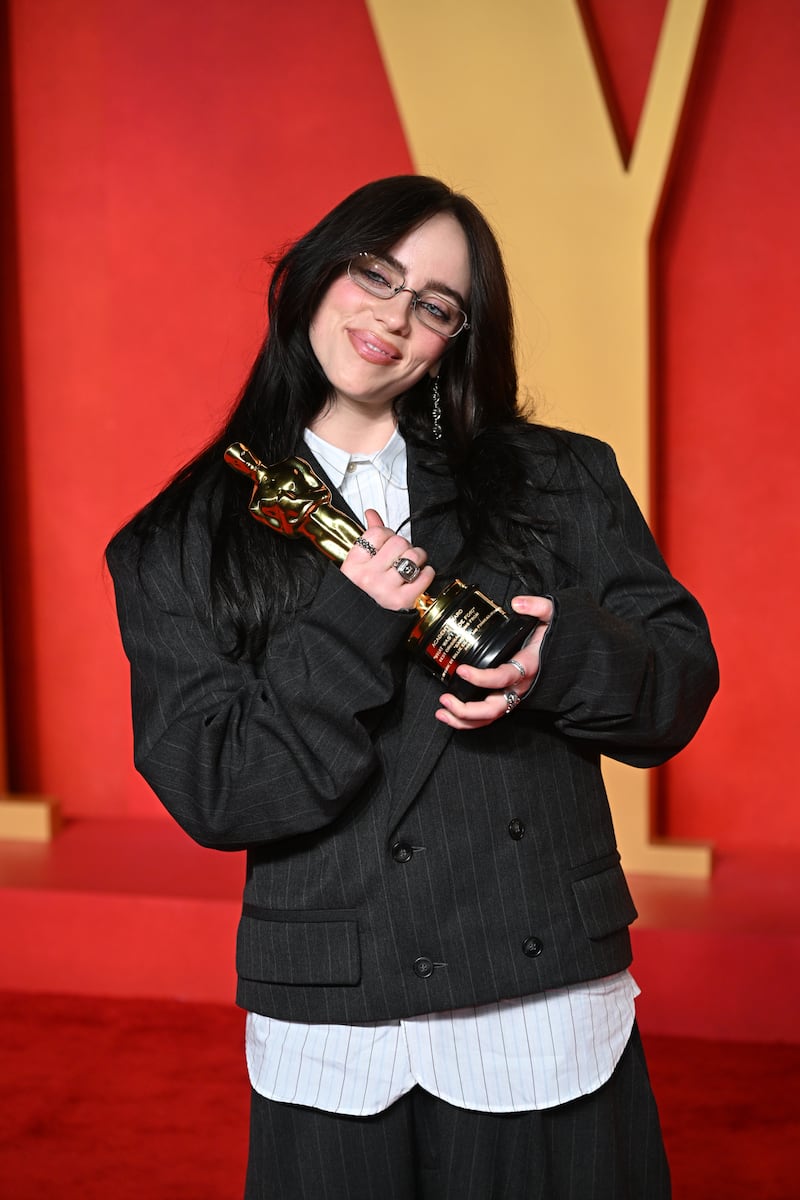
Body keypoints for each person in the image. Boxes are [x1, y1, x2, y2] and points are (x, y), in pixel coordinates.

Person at [107, 174, 718, 1199]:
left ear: (455, 340)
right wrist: (353, 616)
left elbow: (675, 692)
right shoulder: (177, 541)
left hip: (540, 1005)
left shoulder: (554, 479)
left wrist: (549, 662)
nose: (392, 315)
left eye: (433, 304)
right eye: (373, 273)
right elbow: (218, 791)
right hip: (332, 1029)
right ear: (309, 277)